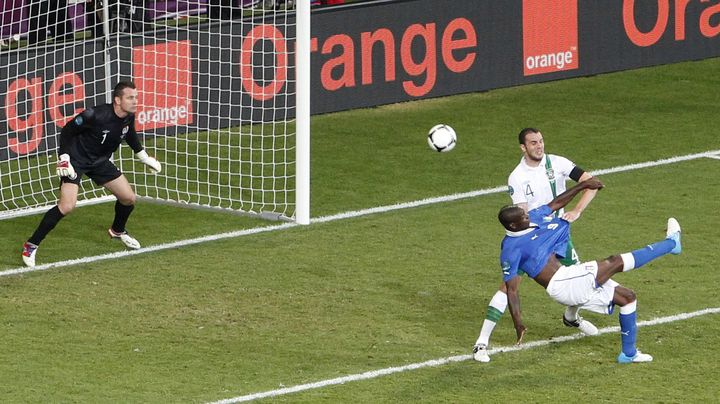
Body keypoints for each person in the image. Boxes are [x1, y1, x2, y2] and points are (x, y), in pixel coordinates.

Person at [494, 177, 681, 363]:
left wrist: (583, 185)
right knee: (614, 262)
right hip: (561, 285)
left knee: (627, 298)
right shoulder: (511, 249)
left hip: (568, 275)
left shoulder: (533, 217)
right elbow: (512, 290)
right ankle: (671, 244)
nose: (529, 215)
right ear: (513, 225)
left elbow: (556, 203)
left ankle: (629, 354)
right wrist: (518, 323)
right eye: (524, 217)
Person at [473, 128, 599, 362]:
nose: (539, 146)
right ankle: (481, 343)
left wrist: (577, 210)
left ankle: (571, 317)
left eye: (541, 141)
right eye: (533, 143)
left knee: (581, 281)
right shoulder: (517, 177)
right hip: (531, 239)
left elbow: (590, 181)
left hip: (559, 235)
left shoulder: (558, 162)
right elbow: (523, 215)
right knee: (508, 286)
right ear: (523, 147)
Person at [21, 81, 161, 267]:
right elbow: (67, 131)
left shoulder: (128, 116)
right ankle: (31, 245)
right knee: (67, 206)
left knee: (128, 198)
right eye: (130, 97)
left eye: (136, 97)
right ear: (118, 100)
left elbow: (129, 133)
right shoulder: (95, 115)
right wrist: (63, 158)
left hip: (100, 162)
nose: (135, 101)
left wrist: (143, 157)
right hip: (76, 161)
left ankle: (117, 231)